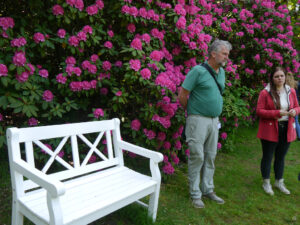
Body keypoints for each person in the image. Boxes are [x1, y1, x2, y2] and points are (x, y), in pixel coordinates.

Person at [178, 39, 232, 208]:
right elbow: (182, 94)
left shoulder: (221, 72)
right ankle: (195, 193)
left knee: (210, 155)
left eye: (227, 54)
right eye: (224, 54)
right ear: (213, 53)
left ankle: (207, 189)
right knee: (197, 155)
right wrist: (193, 113)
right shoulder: (198, 71)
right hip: (198, 120)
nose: (227, 57)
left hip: (214, 121)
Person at [256, 67, 300, 195]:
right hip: (270, 129)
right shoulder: (265, 93)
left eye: (282, 76)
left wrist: (294, 111)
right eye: (277, 76)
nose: (280, 78)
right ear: (272, 78)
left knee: (281, 157)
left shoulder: (290, 91)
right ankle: (266, 182)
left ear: (285, 77)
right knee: (268, 156)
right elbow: (259, 111)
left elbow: (297, 106)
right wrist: (276, 113)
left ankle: (279, 182)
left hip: (287, 128)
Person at [286, 72, 300, 139]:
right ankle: (298, 135)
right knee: (296, 121)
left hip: (287, 102)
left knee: (289, 120)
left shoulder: (285, 83)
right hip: (295, 103)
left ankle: (290, 134)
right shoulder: (296, 83)